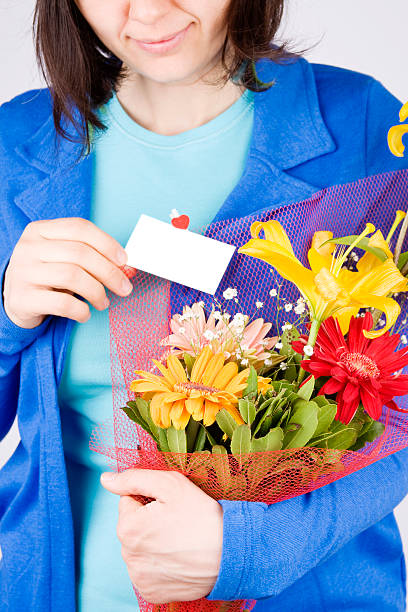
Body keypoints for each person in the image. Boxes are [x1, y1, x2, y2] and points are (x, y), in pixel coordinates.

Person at [0, 0, 408, 610]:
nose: (148, 10)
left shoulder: (367, 124)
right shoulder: (16, 143)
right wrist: (5, 318)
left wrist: (248, 550)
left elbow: (398, 416)